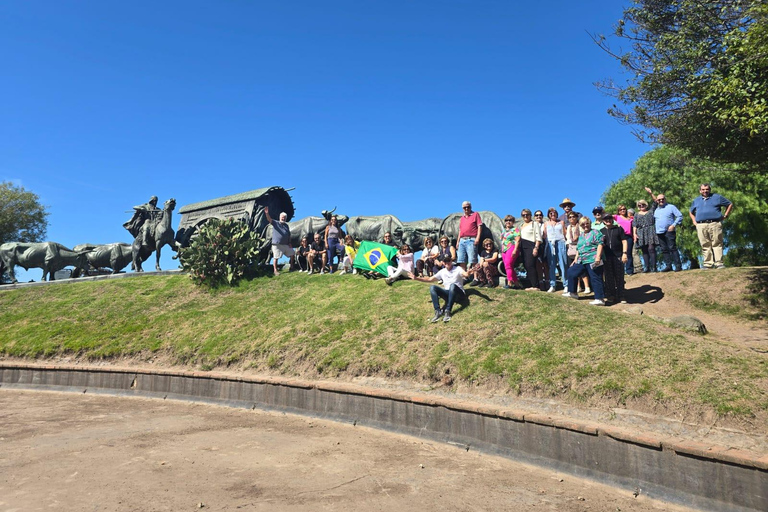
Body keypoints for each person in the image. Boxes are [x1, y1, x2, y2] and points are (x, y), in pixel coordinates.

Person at [413, 255, 472, 323]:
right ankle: (438, 311)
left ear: (451, 261)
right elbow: (430, 279)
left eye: (448, 261)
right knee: (432, 287)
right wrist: (416, 278)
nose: (447, 263)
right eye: (445, 261)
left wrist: (468, 273)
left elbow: (465, 274)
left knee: (452, 286)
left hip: (459, 294)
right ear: (443, 263)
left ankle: (448, 311)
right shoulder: (442, 271)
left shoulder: (458, 268)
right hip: (448, 294)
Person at [689, 183, 733, 269]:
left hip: (715, 223)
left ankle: (719, 263)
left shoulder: (717, 197)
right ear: (700, 191)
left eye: (707, 189)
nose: (705, 191)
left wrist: (725, 215)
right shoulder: (696, 200)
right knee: (705, 244)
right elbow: (691, 211)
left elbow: (729, 204)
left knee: (717, 243)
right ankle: (708, 264)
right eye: (703, 189)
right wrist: (694, 221)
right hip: (701, 225)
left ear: (710, 190)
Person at [563, 217, 606, 306]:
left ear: (590, 223)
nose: (585, 226)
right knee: (571, 272)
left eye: (587, 223)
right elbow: (578, 248)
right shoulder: (581, 235)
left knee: (595, 277)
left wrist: (598, 257)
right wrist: (575, 259)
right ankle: (573, 292)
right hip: (581, 260)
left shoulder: (595, 232)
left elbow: (600, 244)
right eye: (583, 224)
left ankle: (600, 299)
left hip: (593, 258)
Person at [645, 187, 683, 272]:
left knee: (672, 247)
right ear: (657, 201)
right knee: (664, 249)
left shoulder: (671, 207)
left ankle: (678, 266)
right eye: (659, 200)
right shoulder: (656, 210)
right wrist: (651, 193)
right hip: (659, 232)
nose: (661, 201)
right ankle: (668, 266)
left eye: (662, 199)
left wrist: (673, 225)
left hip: (669, 231)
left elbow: (680, 216)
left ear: (665, 199)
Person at [601, 214, 628, 303]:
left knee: (619, 276)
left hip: (618, 255)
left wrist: (624, 253)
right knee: (609, 277)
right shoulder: (601, 231)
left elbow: (624, 241)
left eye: (609, 218)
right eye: (606, 219)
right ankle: (610, 295)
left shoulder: (619, 229)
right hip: (607, 256)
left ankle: (621, 295)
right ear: (603, 220)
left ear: (612, 219)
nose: (608, 220)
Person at [564, 210, 590, 294]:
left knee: (582, 268)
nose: (572, 218)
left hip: (580, 248)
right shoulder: (568, 227)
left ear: (576, 217)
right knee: (573, 269)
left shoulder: (580, 226)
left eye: (573, 217)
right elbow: (568, 238)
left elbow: (583, 236)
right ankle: (577, 286)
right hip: (571, 249)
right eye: (570, 217)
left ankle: (587, 286)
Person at [264, 206, 295, 276]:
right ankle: (275, 270)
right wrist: (267, 213)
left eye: (284, 217)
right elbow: (269, 219)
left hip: (286, 244)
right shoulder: (275, 223)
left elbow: (289, 235)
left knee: (292, 254)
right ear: (280, 217)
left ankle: (292, 266)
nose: (283, 218)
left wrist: (289, 242)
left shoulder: (286, 226)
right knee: (276, 257)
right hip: (277, 244)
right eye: (282, 217)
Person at [519, 209, 543, 291]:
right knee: (526, 265)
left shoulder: (534, 224)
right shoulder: (521, 225)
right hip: (522, 247)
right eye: (523, 215)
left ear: (530, 215)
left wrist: (536, 248)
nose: (525, 216)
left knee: (530, 265)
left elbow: (538, 237)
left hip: (531, 246)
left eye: (527, 214)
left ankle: (535, 285)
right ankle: (530, 283)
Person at [544, 207, 567, 293]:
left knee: (563, 264)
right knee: (551, 265)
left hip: (560, 242)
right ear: (548, 215)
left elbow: (565, 233)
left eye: (554, 213)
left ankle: (566, 284)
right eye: (551, 213)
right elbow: (544, 235)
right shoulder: (546, 223)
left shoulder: (561, 222)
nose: (553, 215)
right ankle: (552, 285)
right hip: (550, 244)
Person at [456, 201, 483, 270]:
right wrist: (458, 241)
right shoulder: (462, 218)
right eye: (465, 207)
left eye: (468, 207)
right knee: (461, 260)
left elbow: (479, 226)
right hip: (462, 240)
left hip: (471, 239)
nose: (466, 208)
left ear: (471, 207)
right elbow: (460, 230)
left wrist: (477, 238)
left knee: (473, 260)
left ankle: (475, 277)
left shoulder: (475, 214)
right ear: (462, 208)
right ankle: (464, 277)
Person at [633, 199, 658, 273]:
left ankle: (654, 267)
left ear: (646, 205)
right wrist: (634, 234)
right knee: (644, 250)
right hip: (641, 232)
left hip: (650, 230)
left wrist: (650, 193)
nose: (641, 206)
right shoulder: (636, 214)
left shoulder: (650, 212)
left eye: (643, 205)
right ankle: (647, 267)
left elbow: (656, 202)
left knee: (651, 248)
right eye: (639, 205)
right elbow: (634, 225)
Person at [500, 215, 522, 290]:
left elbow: (517, 240)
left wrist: (515, 250)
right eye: (506, 220)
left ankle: (510, 282)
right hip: (504, 249)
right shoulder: (503, 231)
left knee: (508, 264)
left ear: (513, 222)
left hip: (511, 248)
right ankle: (516, 284)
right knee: (508, 266)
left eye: (510, 220)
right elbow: (502, 240)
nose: (508, 222)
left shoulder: (515, 230)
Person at [615, 205, 635, 275]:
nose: (622, 210)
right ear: (618, 211)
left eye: (624, 209)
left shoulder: (630, 218)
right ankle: (620, 271)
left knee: (628, 253)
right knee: (619, 254)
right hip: (619, 237)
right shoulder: (616, 217)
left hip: (628, 237)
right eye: (620, 209)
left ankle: (629, 270)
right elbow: (606, 218)